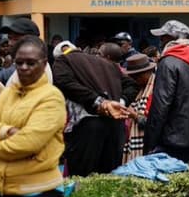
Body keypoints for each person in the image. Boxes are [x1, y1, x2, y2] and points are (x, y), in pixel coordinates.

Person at [0, 36, 66, 197]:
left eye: (31, 63)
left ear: (44, 64)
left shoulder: (51, 97)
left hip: (37, 194)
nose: (24, 67)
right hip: (4, 191)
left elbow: (28, 142)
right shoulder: (9, 93)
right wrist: (5, 131)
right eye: (19, 62)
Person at [53, 38, 137, 176]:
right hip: (115, 128)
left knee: (83, 180)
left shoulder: (63, 60)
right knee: (109, 179)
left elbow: (64, 82)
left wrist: (100, 102)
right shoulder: (107, 64)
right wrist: (119, 102)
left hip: (88, 128)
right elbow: (132, 85)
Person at [144, 32, 189, 162]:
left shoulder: (168, 62)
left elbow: (161, 105)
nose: (160, 42)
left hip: (173, 138)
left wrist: (150, 142)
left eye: (162, 39)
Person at [0, 18, 53, 86]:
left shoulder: (38, 69)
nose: (10, 43)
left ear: (31, 41)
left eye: (16, 39)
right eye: (9, 38)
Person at [122, 54, 156, 163]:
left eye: (137, 76)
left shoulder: (156, 91)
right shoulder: (141, 90)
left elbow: (154, 123)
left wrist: (134, 115)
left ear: (147, 73)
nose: (135, 80)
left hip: (150, 146)